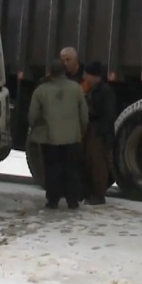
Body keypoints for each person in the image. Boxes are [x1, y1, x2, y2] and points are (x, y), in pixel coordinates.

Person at [27, 59, 89, 209]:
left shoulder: (41, 91)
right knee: (71, 169)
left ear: (50, 72)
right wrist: (80, 131)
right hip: (72, 138)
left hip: (50, 138)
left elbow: (33, 115)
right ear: (64, 71)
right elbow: (84, 116)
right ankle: (72, 201)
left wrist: (34, 128)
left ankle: (53, 200)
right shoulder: (76, 89)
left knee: (52, 169)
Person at [81, 61, 118, 205]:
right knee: (89, 161)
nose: (84, 76)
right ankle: (90, 192)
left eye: (87, 74)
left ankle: (98, 194)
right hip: (93, 130)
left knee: (98, 163)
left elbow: (108, 115)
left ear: (94, 76)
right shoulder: (91, 89)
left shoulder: (104, 91)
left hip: (100, 132)